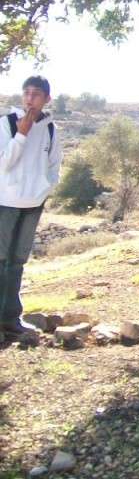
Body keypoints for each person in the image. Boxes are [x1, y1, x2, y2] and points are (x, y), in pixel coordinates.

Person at [1, 76, 62, 343]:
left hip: (32, 204)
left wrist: (43, 190)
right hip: (5, 202)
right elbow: (4, 164)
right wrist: (21, 134)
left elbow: (54, 166)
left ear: (47, 98)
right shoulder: (6, 124)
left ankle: (11, 319)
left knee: (17, 263)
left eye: (36, 94)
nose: (29, 99)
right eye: (26, 93)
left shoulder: (50, 129)